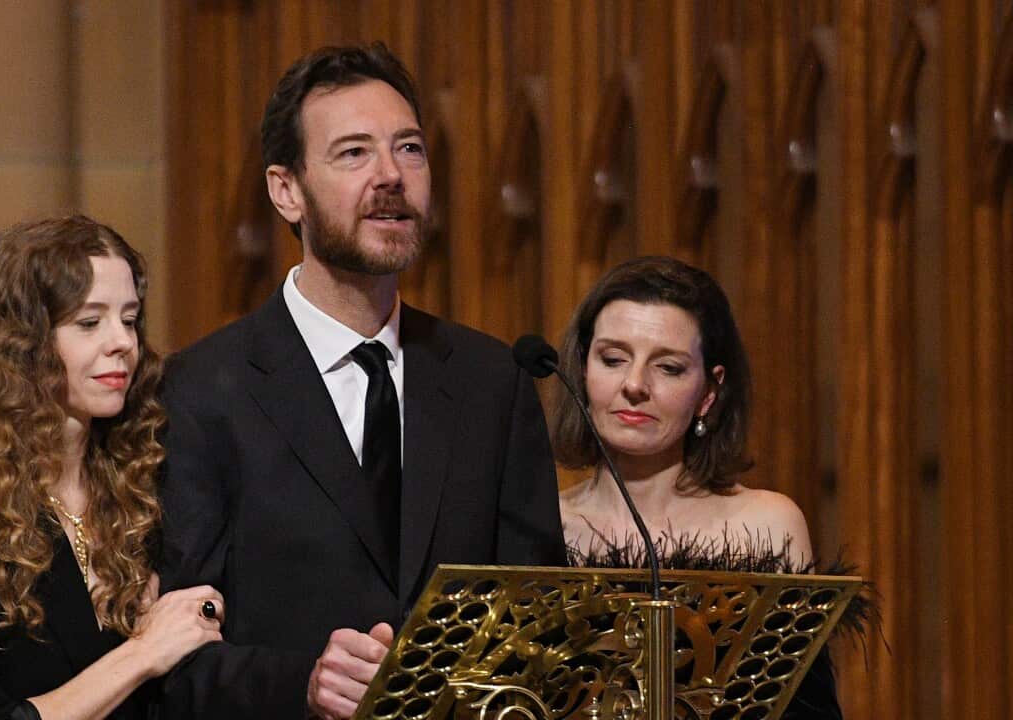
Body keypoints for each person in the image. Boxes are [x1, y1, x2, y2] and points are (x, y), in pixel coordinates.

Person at [158, 43, 565, 720]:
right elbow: (170, 662)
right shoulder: (201, 391)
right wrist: (302, 684)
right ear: (286, 190)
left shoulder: (493, 382)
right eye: (353, 153)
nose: (391, 175)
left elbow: (540, 622)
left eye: (409, 149)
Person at [0, 216, 224, 720]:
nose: (122, 342)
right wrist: (142, 655)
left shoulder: (151, 488)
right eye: (89, 323)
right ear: (21, 345)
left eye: (129, 319)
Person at [550, 255, 841, 720]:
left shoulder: (766, 524)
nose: (634, 385)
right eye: (613, 359)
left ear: (709, 391)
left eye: (668, 367)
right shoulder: (544, 523)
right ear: (582, 370)